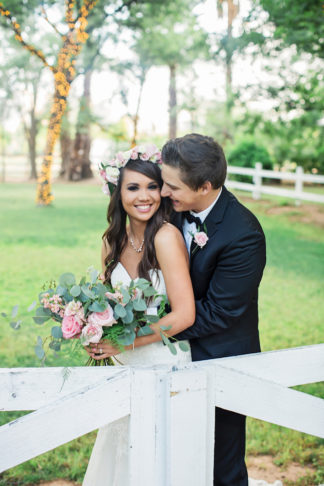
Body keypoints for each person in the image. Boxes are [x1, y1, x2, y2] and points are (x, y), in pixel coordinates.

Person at [82, 144, 195, 486]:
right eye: (133, 187)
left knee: (163, 462)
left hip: (165, 364)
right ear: (117, 193)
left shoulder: (166, 237)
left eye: (152, 186)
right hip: (124, 368)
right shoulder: (111, 242)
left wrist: (127, 343)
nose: (145, 196)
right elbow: (105, 305)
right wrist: (95, 331)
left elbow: (185, 315)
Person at [160, 133, 266, 486]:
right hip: (169, 363)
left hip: (222, 359)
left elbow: (220, 312)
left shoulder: (244, 233)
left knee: (223, 466)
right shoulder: (169, 212)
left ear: (205, 187)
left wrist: (153, 330)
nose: (163, 193)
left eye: (172, 186)